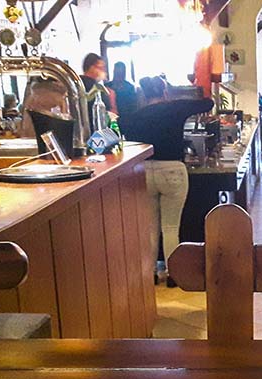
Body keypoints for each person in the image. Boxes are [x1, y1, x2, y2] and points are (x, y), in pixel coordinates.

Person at [120, 76, 214, 283]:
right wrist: (178, 95)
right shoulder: (175, 108)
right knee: (171, 226)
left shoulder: (135, 116)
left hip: (143, 171)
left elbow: (119, 125)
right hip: (172, 170)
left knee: (150, 226)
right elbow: (209, 103)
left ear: (143, 95)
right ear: (164, 92)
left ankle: (151, 272)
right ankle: (174, 274)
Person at [79, 53, 116, 123]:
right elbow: (109, 116)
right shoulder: (99, 89)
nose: (104, 71)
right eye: (101, 67)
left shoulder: (76, 84)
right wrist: (111, 100)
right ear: (92, 67)